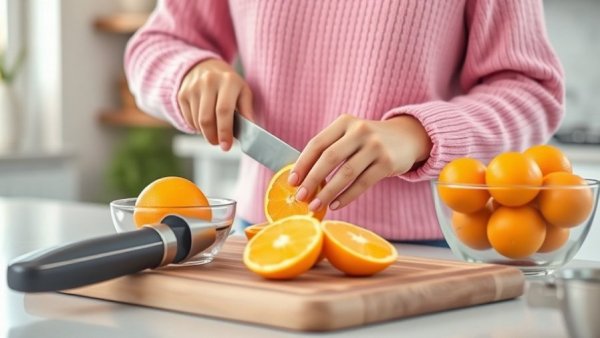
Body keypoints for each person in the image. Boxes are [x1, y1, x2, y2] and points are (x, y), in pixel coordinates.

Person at [124, 0, 564, 244]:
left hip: (425, 255)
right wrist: (190, 71)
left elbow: (532, 91)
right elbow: (157, 45)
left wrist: (418, 134)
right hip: (266, 239)